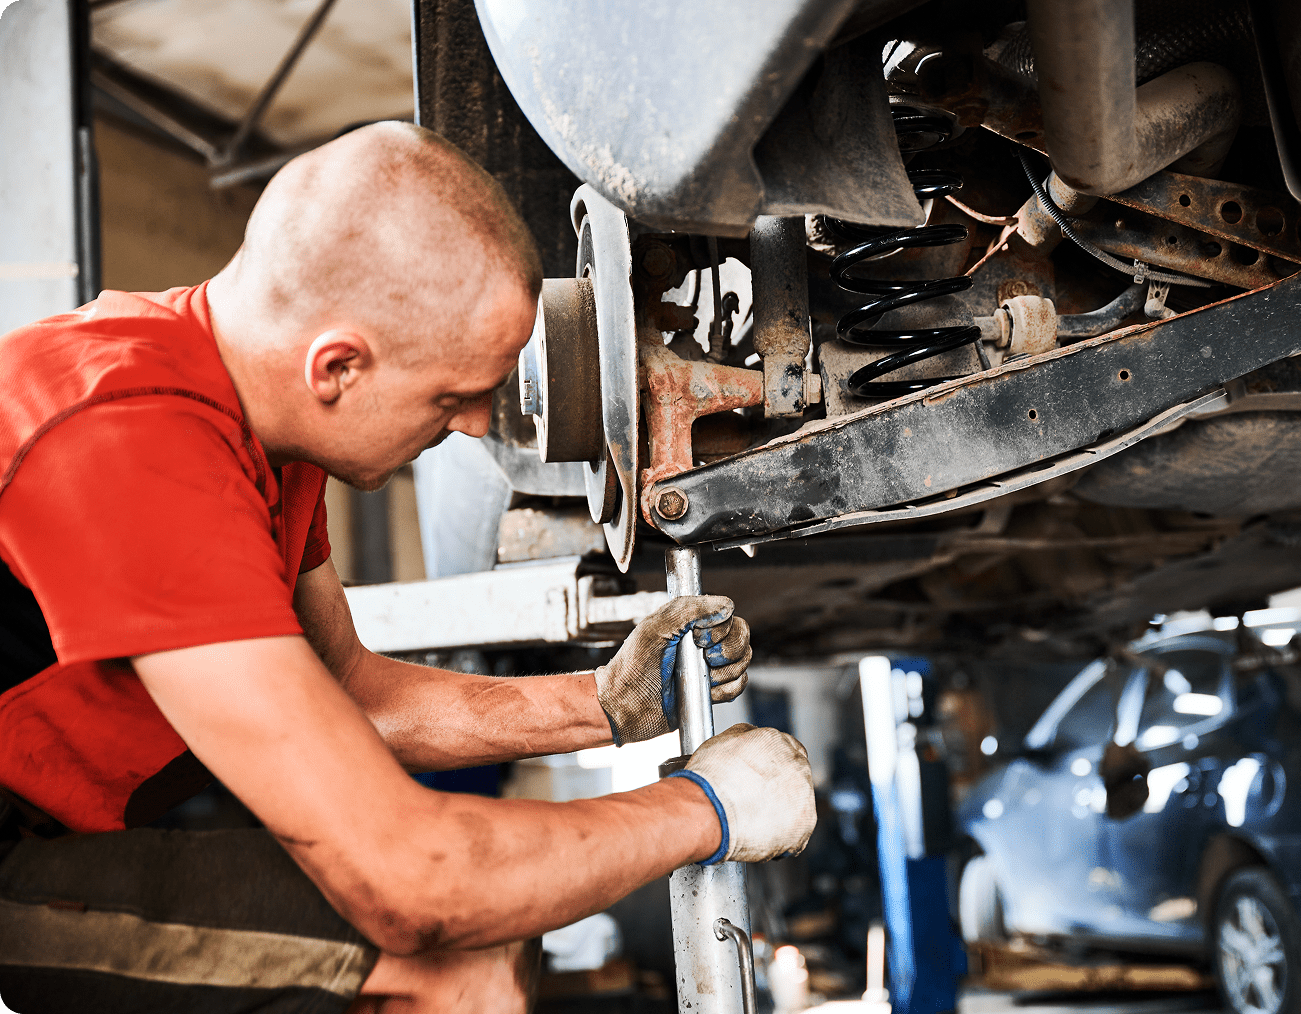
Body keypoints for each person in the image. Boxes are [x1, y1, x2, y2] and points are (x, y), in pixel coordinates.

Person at [0, 121, 817, 1013]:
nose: (474, 427)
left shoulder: (264, 426)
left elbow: (348, 690)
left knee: (492, 931)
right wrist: (708, 810)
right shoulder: (127, 441)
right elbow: (415, 882)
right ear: (339, 366)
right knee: (448, 959)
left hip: (39, 836)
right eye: (452, 396)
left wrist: (602, 704)